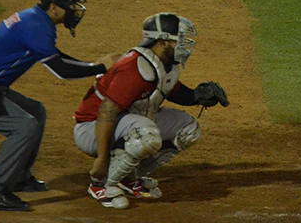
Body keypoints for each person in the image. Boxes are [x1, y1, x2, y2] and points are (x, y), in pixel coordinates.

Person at [0, 0, 121, 211]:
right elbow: (62, 70)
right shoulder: (35, 26)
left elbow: (54, 56)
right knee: (25, 127)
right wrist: (99, 67)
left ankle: (20, 176)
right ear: (53, 7)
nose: (74, 11)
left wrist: (95, 65)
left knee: (36, 111)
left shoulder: (35, 19)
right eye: (69, 6)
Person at [73, 12, 230, 209]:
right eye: (178, 41)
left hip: (124, 123)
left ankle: (127, 178)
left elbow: (172, 91)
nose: (183, 46)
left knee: (187, 130)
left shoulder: (163, 63)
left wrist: (198, 96)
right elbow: (107, 112)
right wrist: (103, 158)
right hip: (92, 128)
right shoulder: (134, 68)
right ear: (162, 42)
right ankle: (102, 184)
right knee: (147, 134)